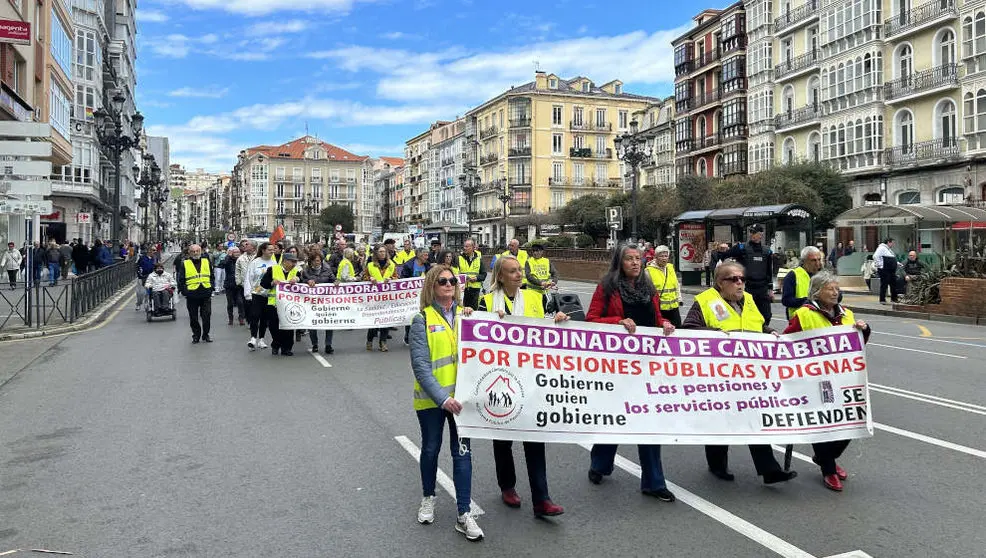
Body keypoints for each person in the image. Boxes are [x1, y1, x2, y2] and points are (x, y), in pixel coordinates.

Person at [683, 262, 798, 485]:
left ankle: (769, 469)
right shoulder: (705, 301)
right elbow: (688, 330)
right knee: (720, 419)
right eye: (733, 279)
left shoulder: (750, 300)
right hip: (718, 375)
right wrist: (716, 335)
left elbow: (756, 326)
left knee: (754, 418)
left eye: (742, 279)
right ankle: (717, 465)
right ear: (719, 282)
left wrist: (770, 331)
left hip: (750, 374)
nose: (739, 283)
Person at [585, 243, 677, 502]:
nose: (636, 263)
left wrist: (666, 324)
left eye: (639, 259)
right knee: (616, 418)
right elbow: (591, 319)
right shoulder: (607, 287)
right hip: (618, 366)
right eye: (629, 259)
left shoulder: (649, 288)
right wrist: (617, 321)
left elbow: (656, 319)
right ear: (619, 262)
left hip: (648, 366)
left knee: (648, 422)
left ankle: (654, 482)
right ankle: (600, 464)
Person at [479, 254, 568, 517]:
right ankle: (507, 486)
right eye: (512, 271)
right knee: (503, 440)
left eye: (519, 270)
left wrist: (560, 319)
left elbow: (551, 324)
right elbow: (475, 340)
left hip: (531, 379)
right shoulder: (486, 302)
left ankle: (542, 497)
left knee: (534, 438)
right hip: (500, 380)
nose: (518, 274)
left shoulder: (536, 298)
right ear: (500, 276)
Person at [408, 265, 483, 541]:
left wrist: (490, 319)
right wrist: (442, 398)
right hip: (432, 401)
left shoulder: (468, 317)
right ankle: (428, 497)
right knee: (430, 449)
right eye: (442, 281)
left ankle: (464, 513)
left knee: (462, 453)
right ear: (432, 285)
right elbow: (420, 365)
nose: (449, 284)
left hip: (462, 401)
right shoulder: (422, 319)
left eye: (453, 280)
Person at [783, 271, 870, 492]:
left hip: (843, 378)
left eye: (836, 288)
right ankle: (828, 469)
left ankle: (825, 457)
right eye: (830, 288)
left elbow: (856, 345)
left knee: (850, 420)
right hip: (816, 380)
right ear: (817, 291)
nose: (835, 292)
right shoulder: (804, 314)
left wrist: (864, 329)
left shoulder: (846, 313)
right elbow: (787, 342)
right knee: (823, 422)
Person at [722, 225, 775, 323]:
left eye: (757, 233)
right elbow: (724, 256)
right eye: (752, 233)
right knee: (746, 315)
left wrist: (770, 289)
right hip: (746, 287)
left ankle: (764, 335)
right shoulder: (741, 248)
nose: (754, 235)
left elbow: (769, 271)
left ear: (761, 234)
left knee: (766, 316)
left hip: (762, 288)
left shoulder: (767, 251)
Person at [259, 252, 300, 356]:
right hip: (274, 304)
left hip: (290, 304)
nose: (294, 264)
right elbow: (263, 283)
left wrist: (297, 279)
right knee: (274, 327)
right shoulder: (272, 270)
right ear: (285, 261)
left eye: (295, 262)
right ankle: (276, 344)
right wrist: (272, 282)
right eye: (292, 261)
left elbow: (303, 283)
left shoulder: (296, 271)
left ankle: (287, 348)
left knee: (288, 326)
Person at [176, 244, 214, 344]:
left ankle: (206, 335)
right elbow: (181, 279)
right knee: (193, 317)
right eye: (193, 251)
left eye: (197, 251)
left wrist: (211, 288)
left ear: (201, 251)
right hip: (192, 294)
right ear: (189, 252)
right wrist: (185, 292)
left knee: (207, 315)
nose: (195, 253)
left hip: (205, 292)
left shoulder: (206, 261)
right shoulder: (185, 263)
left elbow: (211, 276)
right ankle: (196, 335)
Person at [243, 242, 277, 351]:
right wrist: (248, 293)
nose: (272, 252)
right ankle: (253, 338)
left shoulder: (274, 262)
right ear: (263, 250)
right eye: (270, 250)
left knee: (264, 318)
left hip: (269, 294)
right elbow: (249, 277)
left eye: (273, 250)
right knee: (255, 315)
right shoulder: (255, 262)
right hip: (257, 292)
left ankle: (261, 339)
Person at [302, 249, 335, 354]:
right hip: (312, 302)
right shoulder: (306, 271)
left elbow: (333, 279)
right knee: (313, 324)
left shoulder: (327, 270)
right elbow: (301, 282)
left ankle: (328, 344)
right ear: (311, 261)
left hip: (326, 301)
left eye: (319, 260)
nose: (318, 262)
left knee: (329, 323)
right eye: (316, 260)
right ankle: (314, 344)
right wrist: (307, 281)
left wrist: (336, 282)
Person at [400, 248, 434, 345]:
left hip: (424, 294)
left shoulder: (427, 265)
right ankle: (408, 335)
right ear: (418, 255)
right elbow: (403, 279)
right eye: (425, 255)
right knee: (411, 315)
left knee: (424, 314)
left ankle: (422, 336)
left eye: (427, 255)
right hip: (411, 296)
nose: (427, 257)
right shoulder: (408, 265)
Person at [366, 244, 397, 351]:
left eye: (384, 251)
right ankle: (369, 340)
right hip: (374, 298)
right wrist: (370, 278)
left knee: (385, 321)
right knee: (374, 322)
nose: (382, 253)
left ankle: (383, 342)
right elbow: (364, 278)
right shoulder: (370, 265)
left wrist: (391, 279)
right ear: (376, 253)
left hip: (387, 297)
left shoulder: (391, 265)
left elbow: (396, 278)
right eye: (380, 251)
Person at [782, 246, 824, 319]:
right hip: (800, 321)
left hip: (821, 318)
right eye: (813, 260)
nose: (817, 263)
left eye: (819, 259)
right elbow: (786, 300)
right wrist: (809, 301)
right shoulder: (793, 275)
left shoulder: (823, 275)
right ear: (804, 261)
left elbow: (838, 295)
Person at [645, 245, 682, 327]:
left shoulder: (670, 267)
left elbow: (676, 284)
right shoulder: (648, 271)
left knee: (678, 330)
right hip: (659, 309)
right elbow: (646, 291)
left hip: (673, 307)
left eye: (666, 256)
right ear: (656, 257)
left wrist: (679, 298)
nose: (664, 258)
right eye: (661, 256)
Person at [457, 239, 484, 309]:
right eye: (464, 246)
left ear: (473, 247)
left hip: (475, 290)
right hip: (462, 289)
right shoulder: (459, 258)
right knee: (462, 309)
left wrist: (477, 278)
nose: (464, 248)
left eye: (467, 246)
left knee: (474, 310)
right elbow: (455, 273)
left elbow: (483, 274)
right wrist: (464, 278)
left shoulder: (478, 259)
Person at [222, 246, 245, 326]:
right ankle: (230, 318)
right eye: (234, 252)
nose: (236, 254)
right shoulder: (228, 260)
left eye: (238, 252)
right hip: (229, 284)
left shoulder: (242, 260)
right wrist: (228, 256)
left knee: (240, 302)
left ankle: (241, 318)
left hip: (239, 285)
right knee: (230, 303)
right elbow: (223, 264)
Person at [873, 238, 898, 304]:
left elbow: (891, 258)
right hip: (885, 269)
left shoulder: (887, 249)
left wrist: (897, 263)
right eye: (892, 243)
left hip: (890, 269)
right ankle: (882, 299)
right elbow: (875, 256)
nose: (893, 244)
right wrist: (880, 265)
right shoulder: (882, 248)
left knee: (893, 284)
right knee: (884, 284)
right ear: (888, 242)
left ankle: (894, 298)